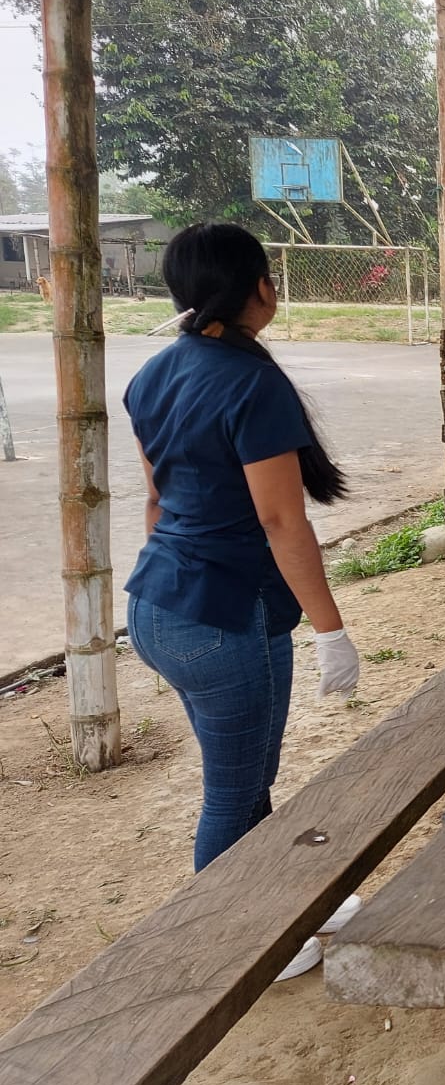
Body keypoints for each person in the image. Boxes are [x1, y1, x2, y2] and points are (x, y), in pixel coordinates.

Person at [123, 223, 361, 977]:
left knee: (247, 776)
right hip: (223, 621)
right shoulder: (251, 382)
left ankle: (280, 905)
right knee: (236, 791)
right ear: (259, 286)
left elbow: (156, 501)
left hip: (158, 605)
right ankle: (236, 941)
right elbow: (281, 521)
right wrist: (331, 630)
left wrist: (176, 575)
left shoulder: (153, 373)